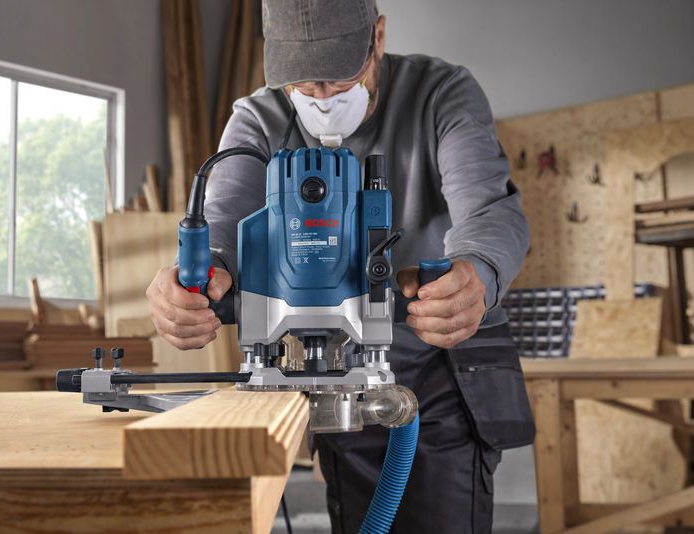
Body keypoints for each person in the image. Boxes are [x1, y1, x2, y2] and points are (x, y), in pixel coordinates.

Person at [146, 0, 535, 531]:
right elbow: (222, 222)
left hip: (443, 365)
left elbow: (489, 209)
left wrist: (476, 271)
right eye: (303, 87)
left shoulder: (441, 91)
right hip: (330, 372)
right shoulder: (259, 116)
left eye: (338, 79)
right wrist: (197, 280)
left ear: (377, 37)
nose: (322, 100)